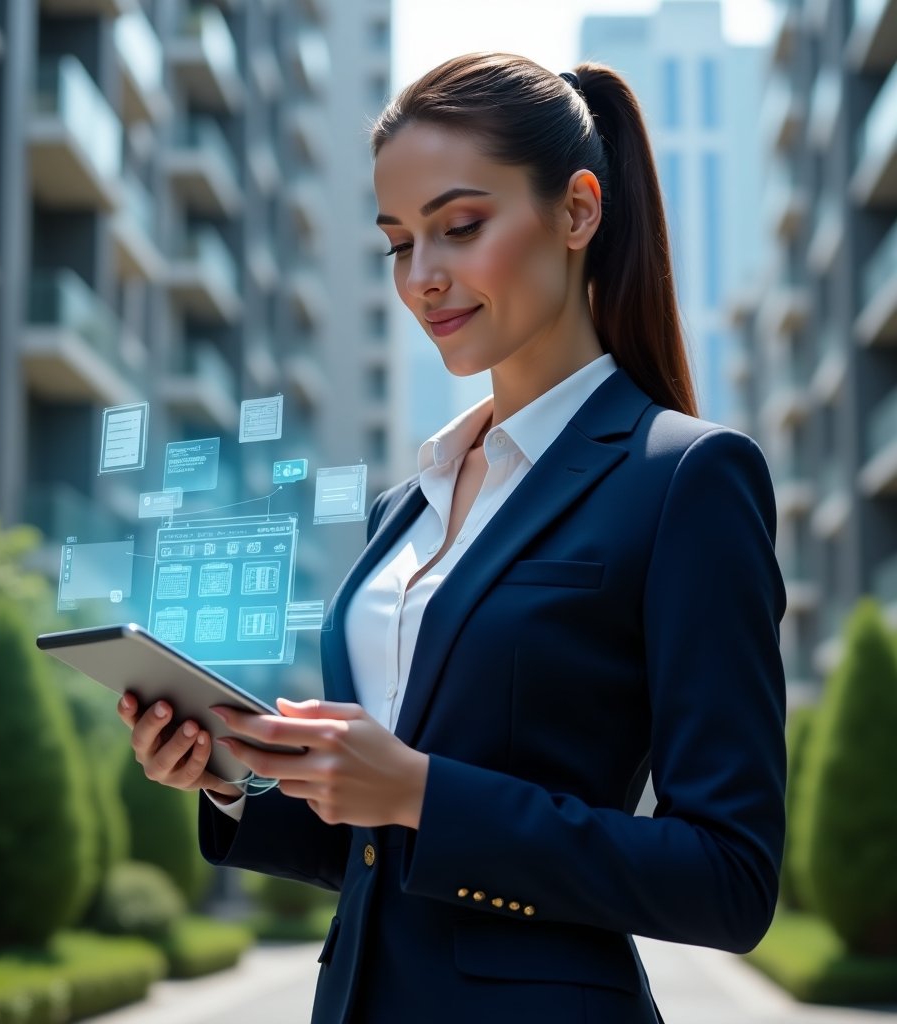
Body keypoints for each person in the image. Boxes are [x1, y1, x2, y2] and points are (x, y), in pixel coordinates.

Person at [118, 53, 786, 1024]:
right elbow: (375, 848)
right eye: (396, 243)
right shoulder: (408, 503)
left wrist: (424, 791)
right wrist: (231, 778)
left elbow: (729, 879)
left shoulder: (686, 478)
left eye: (459, 227)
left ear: (577, 212)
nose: (422, 279)